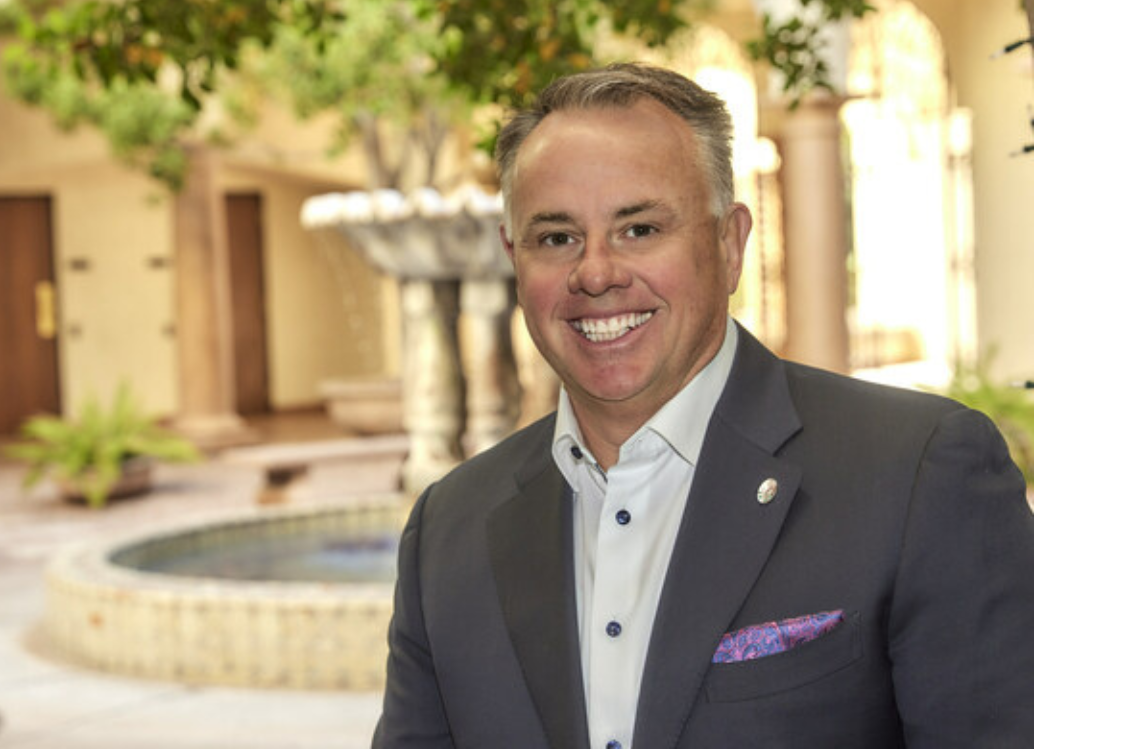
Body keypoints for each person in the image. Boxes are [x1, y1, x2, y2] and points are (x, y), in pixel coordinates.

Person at [372, 63, 1032, 749]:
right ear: (515, 257)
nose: (595, 272)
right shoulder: (447, 532)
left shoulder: (917, 474)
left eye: (639, 229)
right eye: (557, 238)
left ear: (729, 243)